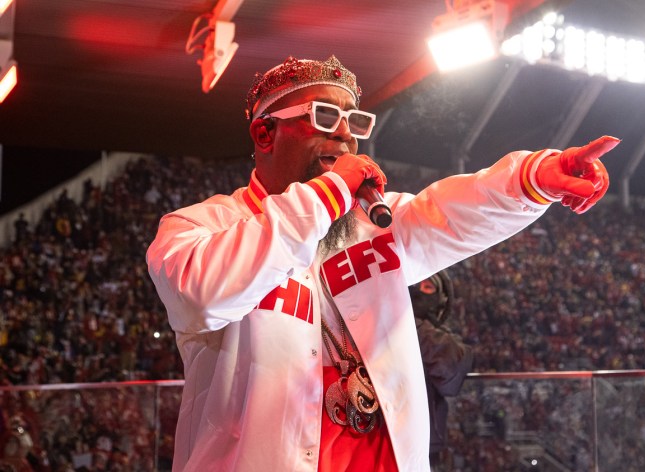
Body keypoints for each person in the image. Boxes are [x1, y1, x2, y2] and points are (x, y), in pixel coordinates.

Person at [146, 54, 619, 471]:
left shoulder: (373, 222)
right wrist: (329, 192)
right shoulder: (197, 227)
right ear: (265, 133)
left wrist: (534, 177)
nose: (344, 133)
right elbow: (203, 294)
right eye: (324, 115)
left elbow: (452, 209)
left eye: (354, 120)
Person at [409, 270, 473, 469]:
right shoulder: (418, 332)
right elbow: (451, 376)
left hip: (411, 439)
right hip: (414, 442)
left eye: (427, 287)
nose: (418, 291)